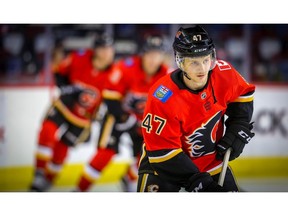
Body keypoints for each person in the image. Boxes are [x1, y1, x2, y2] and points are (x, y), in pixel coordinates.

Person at [137, 25, 255, 192]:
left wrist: (239, 125)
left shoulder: (223, 72)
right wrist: (199, 183)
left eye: (206, 59)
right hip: (164, 169)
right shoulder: (162, 96)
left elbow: (243, 93)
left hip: (210, 163)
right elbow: (161, 153)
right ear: (180, 61)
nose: (202, 68)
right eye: (193, 62)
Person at [75, 34, 170, 192]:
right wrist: (126, 119)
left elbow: (168, 107)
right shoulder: (126, 67)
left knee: (149, 157)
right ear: (143, 54)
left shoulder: (167, 76)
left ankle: (128, 178)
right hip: (117, 117)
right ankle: (79, 190)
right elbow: (110, 98)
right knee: (104, 154)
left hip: (144, 122)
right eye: (150, 54)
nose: (154, 59)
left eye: (158, 55)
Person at [29, 34, 118, 192]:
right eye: (103, 49)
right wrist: (65, 88)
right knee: (47, 132)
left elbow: (116, 99)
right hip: (64, 106)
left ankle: (47, 181)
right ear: (95, 50)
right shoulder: (79, 57)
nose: (106, 53)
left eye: (109, 50)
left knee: (62, 148)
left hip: (84, 120)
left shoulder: (115, 74)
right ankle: (39, 173)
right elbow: (58, 71)